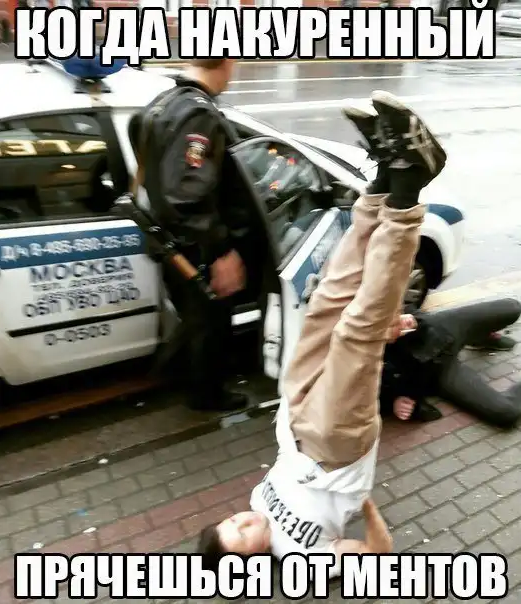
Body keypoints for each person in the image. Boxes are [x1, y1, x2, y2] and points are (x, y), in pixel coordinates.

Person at [196, 91, 448, 571]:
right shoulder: (299, 556)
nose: (245, 522)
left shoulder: (258, 501)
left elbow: (264, 494)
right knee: (357, 331)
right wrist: (364, 501)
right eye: (242, 537)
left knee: (326, 302)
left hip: (294, 411)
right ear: (253, 560)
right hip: (334, 448)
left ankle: (380, 185)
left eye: (232, 522)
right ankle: (407, 191)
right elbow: (378, 555)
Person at [131, 59, 256, 413]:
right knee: (210, 322)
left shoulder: (164, 102)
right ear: (225, 63)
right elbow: (187, 194)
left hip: (172, 241)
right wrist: (220, 251)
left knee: (196, 318)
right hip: (195, 247)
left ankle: (177, 373)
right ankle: (207, 396)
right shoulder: (198, 115)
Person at [379, 298, 521, 427]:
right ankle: (477, 335)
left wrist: (413, 319)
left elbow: (407, 306)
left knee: (512, 308)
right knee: (506, 412)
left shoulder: (370, 300)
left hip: (440, 329)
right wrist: (394, 400)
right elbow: (372, 395)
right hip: (437, 370)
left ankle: (479, 336)